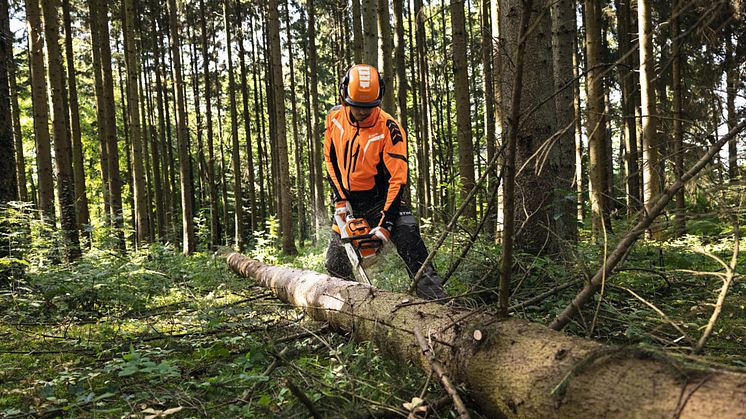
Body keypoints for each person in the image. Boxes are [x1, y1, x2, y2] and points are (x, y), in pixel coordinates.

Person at [323, 64, 446, 300]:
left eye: (368, 107)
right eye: (357, 106)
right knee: (335, 262)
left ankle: (436, 302)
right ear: (344, 96)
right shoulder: (334, 118)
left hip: (385, 199)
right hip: (350, 200)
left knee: (410, 240)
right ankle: (352, 307)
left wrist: (386, 224)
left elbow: (398, 179)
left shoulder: (390, 129)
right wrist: (341, 199)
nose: (362, 112)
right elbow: (330, 159)